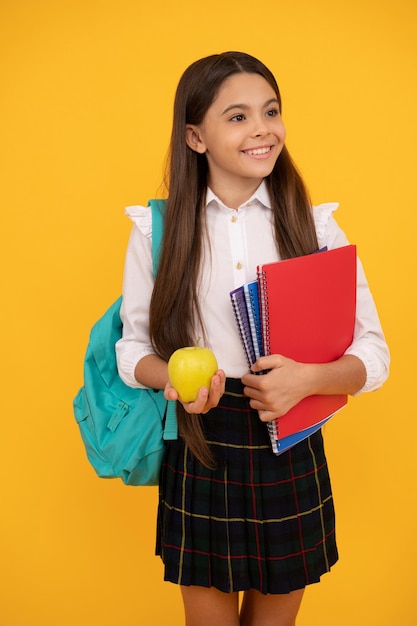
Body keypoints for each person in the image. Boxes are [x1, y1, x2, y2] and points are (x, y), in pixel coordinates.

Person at [116, 52, 390, 626]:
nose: (262, 128)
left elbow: (373, 354)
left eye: (271, 111)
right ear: (195, 136)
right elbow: (132, 350)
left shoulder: (315, 226)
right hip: (201, 439)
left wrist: (308, 381)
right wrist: (173, 381)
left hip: (289, 436)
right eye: (237, 116)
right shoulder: (157, 230)